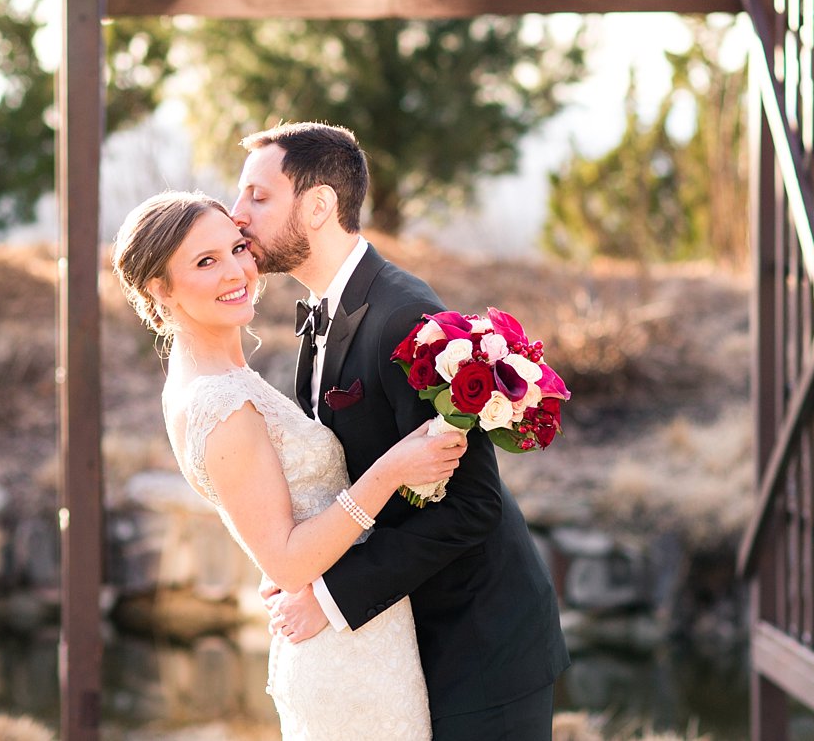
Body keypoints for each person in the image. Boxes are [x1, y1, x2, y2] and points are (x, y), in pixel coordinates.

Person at [230, 122, 569, 741]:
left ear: (318, 206)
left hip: (479, 645)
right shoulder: (324, 311)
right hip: (408, 637)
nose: (237, 215)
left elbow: (472, 506)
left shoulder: (404, 316)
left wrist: (329, 596)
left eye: (258, 195)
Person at [111, 191, 467, 739]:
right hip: (343, 661)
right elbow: (288, 563)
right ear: (160, 288)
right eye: (205, 262)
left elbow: (276, 523)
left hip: (359, 633)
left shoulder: (225, 377)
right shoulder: (219, 403)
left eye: (236, 248)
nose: (237, 271)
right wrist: (392, 470)